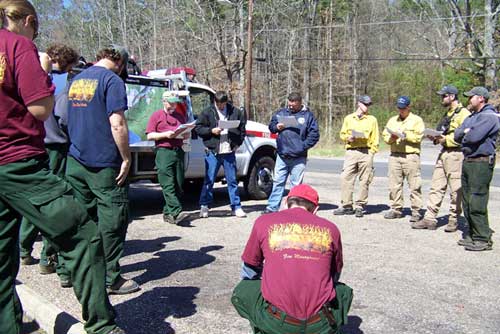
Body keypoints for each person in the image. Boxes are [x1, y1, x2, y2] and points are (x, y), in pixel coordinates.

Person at [0, 1, 123, 333]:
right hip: (18, 162)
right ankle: (102, 326)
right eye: (35, 29)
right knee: (82, 233)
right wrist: (42, 73)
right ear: (28, 21)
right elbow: (41, 109)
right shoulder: (16, 45)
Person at [66, 47, 139, 295]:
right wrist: (126, 158)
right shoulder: (112, 80)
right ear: (119, 62)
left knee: (83, 220)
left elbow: (65, 118)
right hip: (103, 163)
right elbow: (117, 123)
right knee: (112, 220)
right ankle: (110, 278)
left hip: (75, 159)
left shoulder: (77, 79)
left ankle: (76, 273)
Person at [232, 184, 352, 334]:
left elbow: (250, 266)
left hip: (277, 321)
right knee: (343, 292)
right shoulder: (331, 229)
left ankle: (264, 327)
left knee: (243, 290)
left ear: (285, 203)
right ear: (315, 209)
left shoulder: (264, 222)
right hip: (319, 322)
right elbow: (334, 273)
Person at [19, 43, 79, 288]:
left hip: (31, 144)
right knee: (52, 200)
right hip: (55, 145)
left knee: (33, 198)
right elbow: (63, 116)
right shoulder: (62, 82)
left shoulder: (30, 74)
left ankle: (24, 249)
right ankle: (48, 255)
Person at [412, 85, 470, 232]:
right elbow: (444, 130)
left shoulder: (464, 114)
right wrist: (435, 137)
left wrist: (446, 139)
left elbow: (466, 136)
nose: (441, 99)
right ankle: (429, 218)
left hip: (456, 154)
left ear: (452, 96)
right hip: (444, 152)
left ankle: (453, 219)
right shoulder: (449, 113)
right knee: (436, 186)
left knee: (456, 189)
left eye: (444, 96)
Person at [454, 87, 499, 251]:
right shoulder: (473, 116)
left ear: (481, 98)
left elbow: (474, 137)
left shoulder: (490, 116)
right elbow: (456, 135)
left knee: (477, 200)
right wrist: (466, 132)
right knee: (467, 200)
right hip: (468, 161)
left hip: (481, 162)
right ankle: (472, 234)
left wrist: (467, 133)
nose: (468, 100)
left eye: (471, 97)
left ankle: (482, 238)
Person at [262, 92, 320, 214]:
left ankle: (294, 209)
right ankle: (272, 208)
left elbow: (314, 135)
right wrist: (277, 127)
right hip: (282, 154)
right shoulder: (281, 113)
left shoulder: (308, 116)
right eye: (289, 103)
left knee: (296, 186)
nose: (291, 106)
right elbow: (271, 126)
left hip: (298, 157)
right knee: (278, 182)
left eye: (294, 104)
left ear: (299, 103)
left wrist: (302, 147)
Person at [195, 90, 247, 218]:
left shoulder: (235, 112)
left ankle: (236, 207)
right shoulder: (207, 112)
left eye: (223, 104)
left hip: (229, 151)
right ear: (215, 102)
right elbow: (198, 128)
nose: (221, 107)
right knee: (209, 180)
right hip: (213, 151)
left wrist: (237, 145)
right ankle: (204, 206)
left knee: (232, 180)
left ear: (226, 102)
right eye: (218, 104)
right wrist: (211, 131)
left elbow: (242, 129)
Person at [146, 91, 190, 225]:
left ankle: (167, 213)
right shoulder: (156, 116)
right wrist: (166, 135)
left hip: (179, 151)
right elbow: (149, 135)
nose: (174, 106)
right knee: (167, 184)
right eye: (171, 103)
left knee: (178, 184)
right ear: (164, 102)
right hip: (164, 151)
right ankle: (177, 211)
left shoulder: (180, 116)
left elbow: (185, 132)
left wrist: (185, 134)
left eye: (175, 103)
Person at [334, 95, 379, 218]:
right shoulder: (349, 118)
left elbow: (375, 138)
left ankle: (360, 206)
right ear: (359, 103)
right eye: (365, 104)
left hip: (366, 152)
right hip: (351, 151)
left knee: (365, 180)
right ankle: (347, 205)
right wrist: (348, 138)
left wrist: (372, 152)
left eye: (369, 104)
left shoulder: (372, 119)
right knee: (346, 178)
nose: (367, 107)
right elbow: (342, 134)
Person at [382, 96, 425, 222]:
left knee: (414, 184)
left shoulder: (416, 120)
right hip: (395, 155)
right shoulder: (392, 120)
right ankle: (396, 208)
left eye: (403, 108)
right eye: (399, 108)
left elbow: (419, 137)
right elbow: (385, 136)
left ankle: (416, 211)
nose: (401, 111)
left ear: (408, 107)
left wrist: (406, 135)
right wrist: (392, 138)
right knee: (394, 184)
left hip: (410, 156)